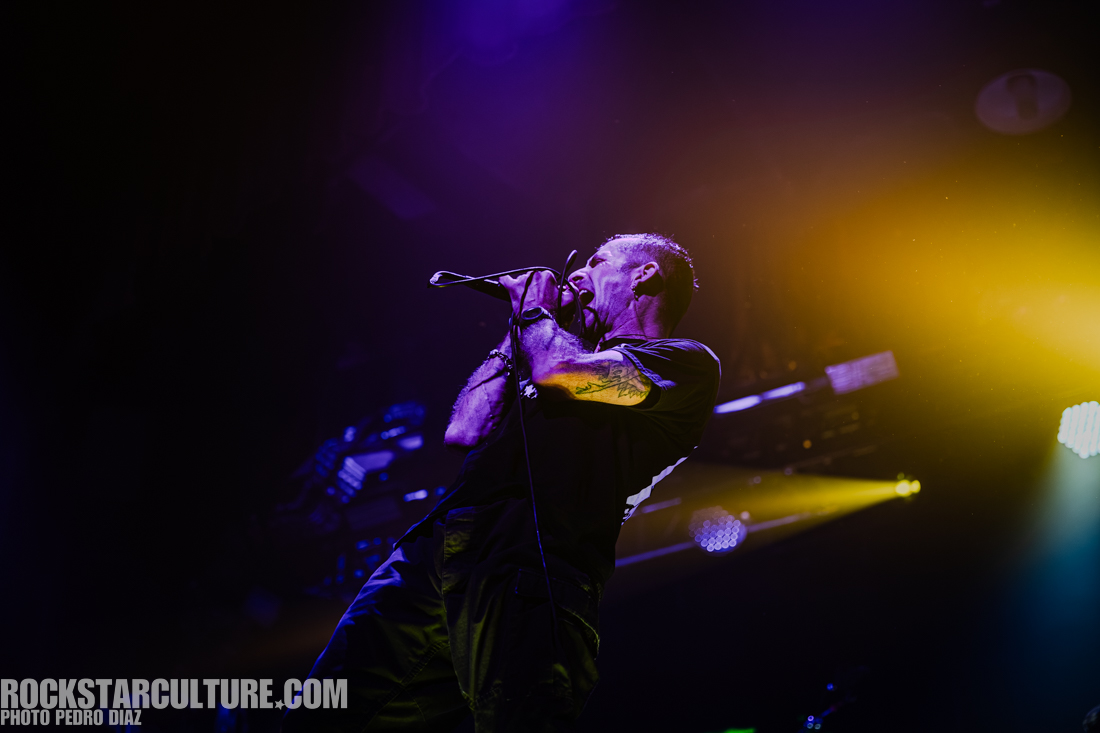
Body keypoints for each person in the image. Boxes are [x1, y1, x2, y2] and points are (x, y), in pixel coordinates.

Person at [284, 233, 720, 732]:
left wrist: (536, 313)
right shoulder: (544, 346)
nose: (578, 274)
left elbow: (559, 371)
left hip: (535, 563)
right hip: (439, 547)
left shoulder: (685, 361)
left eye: (597, 261)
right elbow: (464, 431)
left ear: (645, 275)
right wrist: (517, 328)